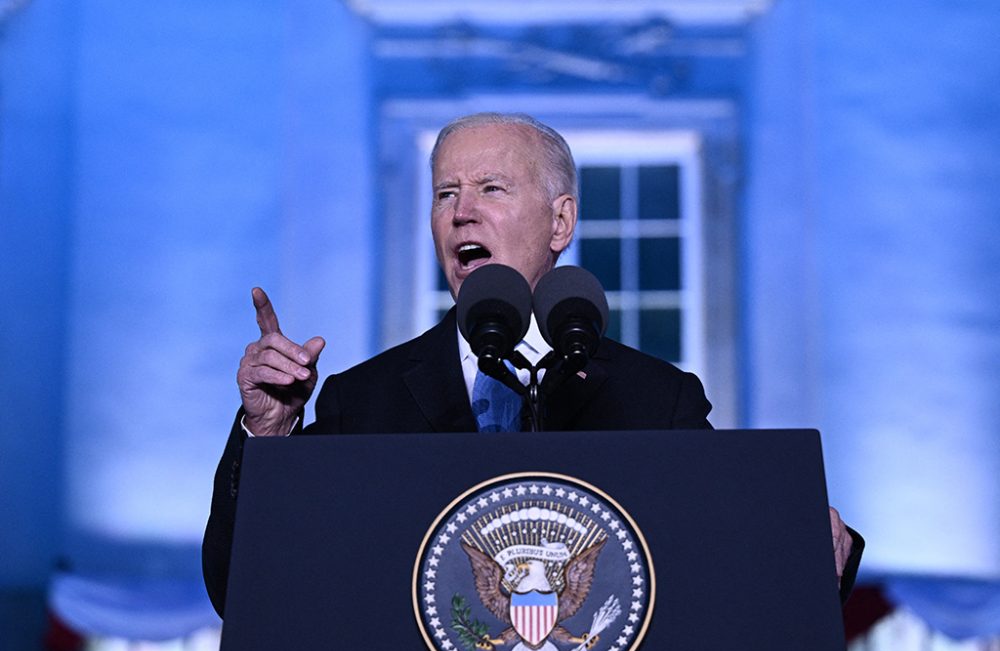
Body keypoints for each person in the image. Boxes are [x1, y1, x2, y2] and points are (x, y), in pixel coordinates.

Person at [202, 112, 862, 616]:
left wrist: (803, 542)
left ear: (560, 220)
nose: (462, 211)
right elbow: (244, 587)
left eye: (492, 188)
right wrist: (269, 437)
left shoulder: (655, 399)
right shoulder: (362, 401)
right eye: (445, 193)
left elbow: (725, 566)